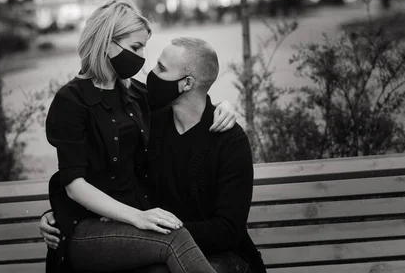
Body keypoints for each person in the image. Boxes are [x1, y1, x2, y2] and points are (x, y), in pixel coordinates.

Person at [42, 36, 266, 273]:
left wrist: (161, 231)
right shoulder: (150, 124)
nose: (151, 73)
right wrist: (60, 214)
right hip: (161, 249)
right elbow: (108, 173)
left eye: (161, 69)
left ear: (187, 83)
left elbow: (228, 230)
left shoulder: (230, 141)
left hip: (223, 256)